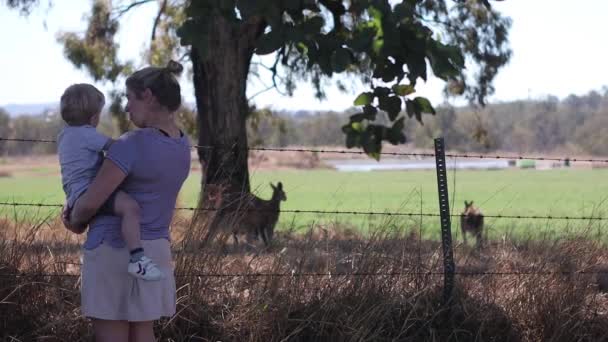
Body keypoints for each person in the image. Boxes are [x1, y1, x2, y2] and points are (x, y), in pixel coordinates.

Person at [62, 60, 190, 341]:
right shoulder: (183, 145)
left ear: (148, 96)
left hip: (113, 250)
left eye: (130, 98)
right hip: (154, 251)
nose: (127, 107)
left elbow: (90, 203)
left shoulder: (130, 144)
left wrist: (73, 220)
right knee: (143, 333)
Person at [57, 83, 163, 281]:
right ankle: (138, 260)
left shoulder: (64, 135)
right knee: (131, 208)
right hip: (89, 191)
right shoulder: (87, 134)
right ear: (94, 117)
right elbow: (117, 148)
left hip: (74, 196)